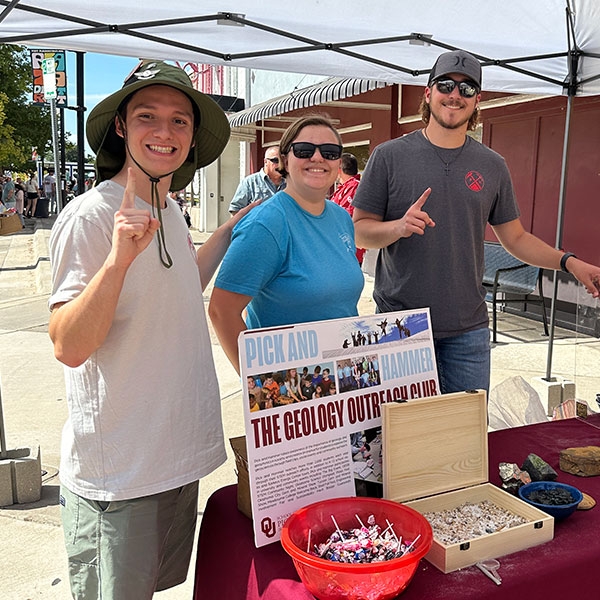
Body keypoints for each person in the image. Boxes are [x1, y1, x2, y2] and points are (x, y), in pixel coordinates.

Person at [47, 59, 252, 599]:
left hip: (175, 455)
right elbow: (68, 345)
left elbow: (182, 286)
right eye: (147, 116)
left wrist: (232, 228)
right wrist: (116, 262)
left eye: (180, 120)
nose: (164, 132)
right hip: (121, 470)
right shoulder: (91, 216)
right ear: (121, 126)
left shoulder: (173, 211)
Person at [352, 49, 600, 396]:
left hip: (467, 330)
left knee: (464, 441)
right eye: (445, 85)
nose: (455, 95)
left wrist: (569, 262)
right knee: (399, 438)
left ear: (477, 100)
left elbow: (515, 238)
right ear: (428, 93)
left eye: (466, 89)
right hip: (400, 325)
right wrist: (398, 227)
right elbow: (360, 230)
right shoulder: (389, 156)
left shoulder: (492, 164)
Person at [209, 115, 364, 374]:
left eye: (329, 151)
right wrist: (259, 384)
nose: (317, 158)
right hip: (293, 393)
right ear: (285, 159)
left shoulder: (340, 217)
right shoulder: (267, 223)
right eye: (304, 150)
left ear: (338, 162)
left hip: (343, 383)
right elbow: (221, 311)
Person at [330, 152, 366, 266]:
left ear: (339, 169)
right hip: (339, 249)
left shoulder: (354, 187)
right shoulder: (346, 187)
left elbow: (343, 216)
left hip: (346, 249)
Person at [228, 145, 286, 215]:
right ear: (265, 161)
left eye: (282, 161)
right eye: (275, 160)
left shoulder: (290, 183)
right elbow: (235, 210)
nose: (280, 165)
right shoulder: (250, 182)